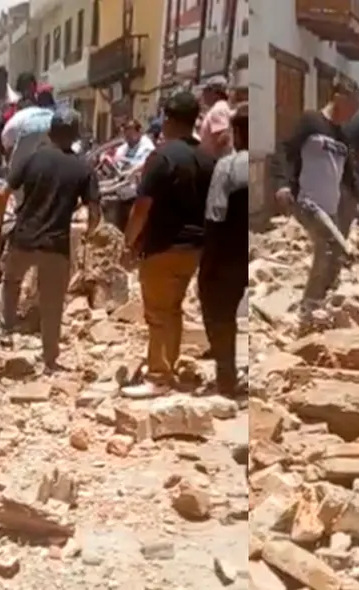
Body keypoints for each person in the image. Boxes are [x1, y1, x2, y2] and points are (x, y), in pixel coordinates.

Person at [0, 108, 100, 372]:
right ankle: (50, 359)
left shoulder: (32, 159)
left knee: (11, 282)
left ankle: (6, 332)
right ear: (75, 136)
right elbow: (95, 212)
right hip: (56, 245)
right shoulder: (83, 168)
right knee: (52, 302)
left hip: (24, 238)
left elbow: (1, 195)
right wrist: (88, 235)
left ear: (50, 132)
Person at [124, 91, 214, 395]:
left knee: (158, 313)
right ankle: (168, 365)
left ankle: (159, 376)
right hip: (195, 247)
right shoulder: (207, 158)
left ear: (169, 120)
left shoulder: (162, 157)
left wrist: (129, 241)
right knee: (173, 309)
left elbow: (142, 207)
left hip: (163, 245)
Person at [272, 76, 359, 319]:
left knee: (336, 252)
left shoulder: (343, 136)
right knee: (326, 247)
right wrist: (283, 184)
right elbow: (285, 151)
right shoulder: (311, 121)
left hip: (330, 207)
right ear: (338, 98)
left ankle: (321, 298)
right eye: (352, 105)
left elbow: (349, 172)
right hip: (307, 200)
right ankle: (308, 308)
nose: (354, 112)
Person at [199, 103, 248, 395]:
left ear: (237, 133)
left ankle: (226, 374)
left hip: (229, 253)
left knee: (219, 311)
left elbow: (215, 216)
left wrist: (208, 263)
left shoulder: (228, 166)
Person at [198, 76, 233, 157]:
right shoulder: (220, 107)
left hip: (215, 160)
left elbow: (223, 137)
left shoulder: (218, 110)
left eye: (206, 91)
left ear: (215, 93)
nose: (203, 94)